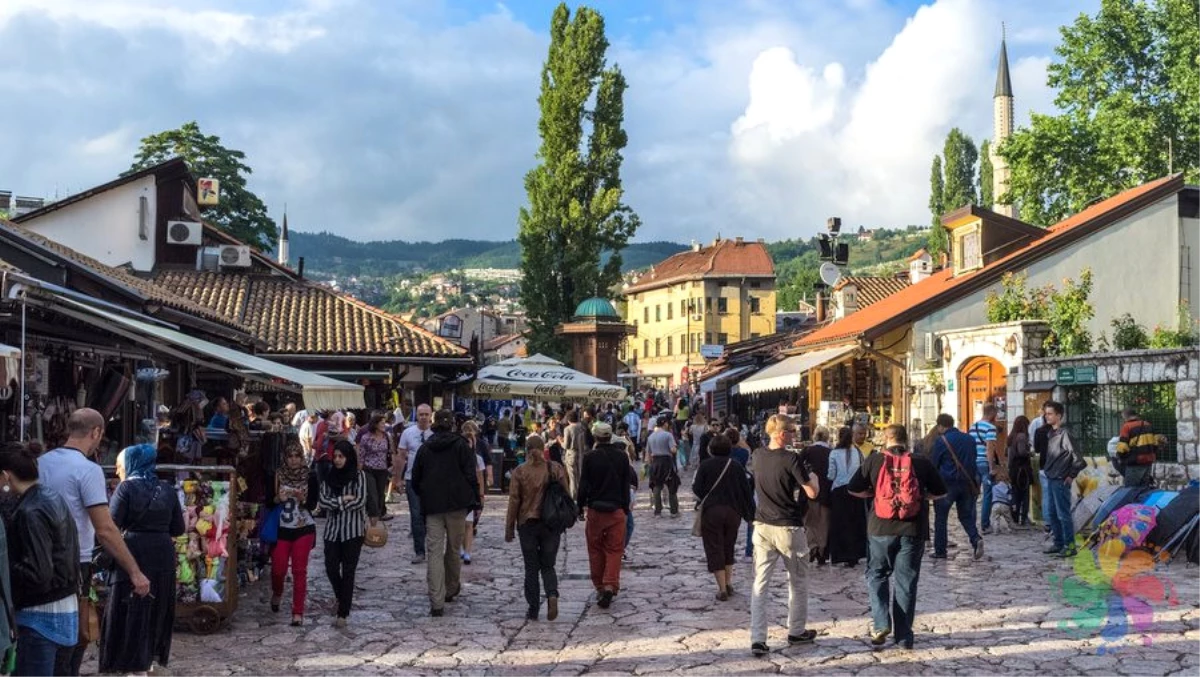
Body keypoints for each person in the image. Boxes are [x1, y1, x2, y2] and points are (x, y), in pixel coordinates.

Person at [38, 408, 149, 676]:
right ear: (96, 433)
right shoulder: (88, 470)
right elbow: (105, 528)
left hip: (37, 557)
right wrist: (134, 571)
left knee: (41, 631)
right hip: (74, 563)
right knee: (72, 638)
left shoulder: (41, 462)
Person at [847, 424, 946, 650]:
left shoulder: (874, 460)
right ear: (905, 439)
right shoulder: (921, 462)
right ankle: (903, 636)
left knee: (876, 575)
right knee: (906, 582)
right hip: (912, 530)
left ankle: (881, 624)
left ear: (886, 438)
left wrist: (875, 496)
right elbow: (941, 491)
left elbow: (853, 488)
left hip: (879, 529)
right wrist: (920, 498)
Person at [100, 444, 184, 676]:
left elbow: (111, 525)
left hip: (133, 554)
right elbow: (178, 528)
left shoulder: (126, 489)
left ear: (130, 464)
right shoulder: (167, 489)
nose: (117, 471)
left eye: (119, 466)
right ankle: (147, 661)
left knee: (131, 611)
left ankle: (132, 665)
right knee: (155, 610)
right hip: (162, 556)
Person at [1, 443, 80, 677]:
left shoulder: (29, 511)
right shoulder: (52, 497)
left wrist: (6, 568)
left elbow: (38, 573)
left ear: (6, 476)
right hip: (64, 613)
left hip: (40, 620)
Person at [749, 414, 820, 658]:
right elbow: (811, 492)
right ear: (781, 433)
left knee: (760, 583)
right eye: (791, 430)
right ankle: (796, 630)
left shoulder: (757, 456)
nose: (794, 434)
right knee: (798, 580)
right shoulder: (791, 458)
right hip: (788, 526)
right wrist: (814, 479)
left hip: (761, 525)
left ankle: (758, 638)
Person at [411, 410, 481, 617]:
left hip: (433, 506)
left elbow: (415, 478)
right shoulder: (461, 446)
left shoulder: (425, 448)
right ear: (452, 425)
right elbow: (470, 474)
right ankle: (450, 588)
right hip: (457, 505)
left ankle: (437, 600)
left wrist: (425, 494)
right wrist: (474, 499)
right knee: (452, 548)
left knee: (433, 550)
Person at [505, 435, 569, 621]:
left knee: (531, 567)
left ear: (526, 449)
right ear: (543, 449)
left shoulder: (520, 471)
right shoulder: (555, 468)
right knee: (548, 565)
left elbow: (514, 501)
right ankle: (551, 594)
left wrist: (509, 528)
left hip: (528, 523)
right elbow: (565, 495)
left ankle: (533, 608)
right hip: (551, 524)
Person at [577, 422, 634, 609]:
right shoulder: (621, 457)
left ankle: (600, 586)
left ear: (595, 437)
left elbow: (583, 484)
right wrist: (625, 507)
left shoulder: (590, 457)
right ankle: (610, 584)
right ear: (610, 436)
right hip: (616, 509)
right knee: (615, 549)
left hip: (596, 509)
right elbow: (626, 483)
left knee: (595, 549)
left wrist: (579, 507)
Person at [693, 434, 755, 601]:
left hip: (712, 511)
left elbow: (697, 488)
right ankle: (728, 582)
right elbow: (746, 491)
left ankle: (721, 588)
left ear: (711, 449)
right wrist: (750, 514)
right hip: (733, 512)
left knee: (714, 547)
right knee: (729, 546)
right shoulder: (736, 466)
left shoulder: (705, 466)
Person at [318, 440, 368, 628]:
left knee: (348, 571)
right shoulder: (329, 477)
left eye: (341, 456)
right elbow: (323, 501)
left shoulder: (358, 476)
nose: (338, 460)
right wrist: (343, 499)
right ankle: (341, 596)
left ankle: (343, 612)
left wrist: (336, 503)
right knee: (331, 568)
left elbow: (361, 501)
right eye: (336, 456)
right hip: (332, 531)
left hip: (353, 531)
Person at [271, 442, 318, 626]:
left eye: (297, 456)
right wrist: (278, 498)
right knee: (278, 569)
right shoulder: (278, 474)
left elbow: (313, 505)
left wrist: (303, 499)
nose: (293, 460)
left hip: (303, 527)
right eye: (290, 456)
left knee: (299, 571)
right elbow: (269, 500)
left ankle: (297, 612)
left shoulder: (310, 476)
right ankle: (277, 592)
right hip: (282, 528)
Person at [929, 413, 984, 561]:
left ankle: (940, 550)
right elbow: (973, 460)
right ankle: (975, 538)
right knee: (965, 515)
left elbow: (934, 464)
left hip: (947, 484)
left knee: (941, 517)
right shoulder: (969, 439)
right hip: (967, 483)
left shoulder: (942, 440)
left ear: (940, 426)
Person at [1042, 401, 1086, 558]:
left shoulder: (1065, 434)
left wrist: (1070, 475)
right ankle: (1059, 542)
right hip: (1051, 477)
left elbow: (1079, 459)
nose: (1047, 416)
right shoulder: (1051, 434)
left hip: (1061, 478)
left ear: (1058, 416)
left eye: (1050, 413)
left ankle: (1070, 545)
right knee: (1052, 513)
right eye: (1046, 413)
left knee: (1063, 514)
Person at [397, 404, 434, 564]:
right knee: (416, 514)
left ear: (431, 416)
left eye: (426, 414)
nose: (424, 417)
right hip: (412, 478)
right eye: (421, 414)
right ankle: (419, 551)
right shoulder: (408, 433)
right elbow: (401, 456)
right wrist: (397, 478)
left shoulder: (436, 434)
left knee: (431, 515)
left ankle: (433, 547)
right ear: (416, 415)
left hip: (432, 480)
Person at [827, 426, 866, 567]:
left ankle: (841, 554)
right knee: (855, 522)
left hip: (839, 491)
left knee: (840, 524)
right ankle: (855, 554)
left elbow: (831, 475)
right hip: (855, 491)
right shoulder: (857, 452)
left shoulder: (834, 453)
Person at [798, 427, 833, 566]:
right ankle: (822, 551)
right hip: (826, 491)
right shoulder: (831, 452)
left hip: (808, 490)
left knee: (809, 521)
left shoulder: (807, 451)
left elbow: (798, 468)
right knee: (824, 522)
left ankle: (811, 547)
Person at [969, 404, 1002, 534]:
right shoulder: (990, 428)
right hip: (984, 463)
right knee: (987, 494)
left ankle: (971, 524)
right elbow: (989, 448)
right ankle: (985, 524)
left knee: (974, 495)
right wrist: (991, 467)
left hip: (973, 463)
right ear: (993, 414)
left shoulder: (973, 426)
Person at [459, 421, 488, 565]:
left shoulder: (478, 459)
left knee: (469, 524)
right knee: (459, 523)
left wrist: (481, 495)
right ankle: (460, 547)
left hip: (472, 495)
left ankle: (468, 552)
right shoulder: (456, 457)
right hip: (458, 495)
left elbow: (480, 478)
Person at [359, 414, 395, 526]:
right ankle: (373, 520)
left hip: (382, 470)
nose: (384, 425)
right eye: (382, 423)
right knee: (372, 495)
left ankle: (378, 515)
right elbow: (361, 456)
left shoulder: (387, 436)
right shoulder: (366, 438)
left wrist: (393, 466)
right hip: (369, 469)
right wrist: (359, 471)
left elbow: (391, 451)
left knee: (380, 495)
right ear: (375, 424)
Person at [645, 416, 680, 517]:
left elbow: (648, 454)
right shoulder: (668, 435)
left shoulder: (650, 437)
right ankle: (674, 511)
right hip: (666, 462)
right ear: (665, 423)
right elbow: (673, 450)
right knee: (671, 486)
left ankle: (658, 511)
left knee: (657, 486)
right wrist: (676, 448)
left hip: (655, 463)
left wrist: (648, 465)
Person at [1115, 408, 1157, 488]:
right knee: (1144, 489)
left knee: (1130, 490)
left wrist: (1119, 457)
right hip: (1148, 461)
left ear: (1125, 416)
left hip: (1135, 463)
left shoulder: (1127, 427)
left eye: (1122, 417)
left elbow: (1122, 447)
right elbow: (1155, 443)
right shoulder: (1147, 424)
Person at [1006, 416, 1034, 527]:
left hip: (1013, 469)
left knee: (1015, 494)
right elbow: (1022, 452)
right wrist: (1030, 453)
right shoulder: (1022, 436)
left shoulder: (1011, 437)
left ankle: (1015, 517)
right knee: (1024, 494)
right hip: (1022, 470)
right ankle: (1024, 518)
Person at [562, 411, 588, 499]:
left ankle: (573, 498)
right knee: (580, 477)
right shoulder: (582, 427)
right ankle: (582, 497)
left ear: (568, 419)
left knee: (573, 478)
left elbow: (566, 445)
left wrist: (559, 441)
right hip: (582, 453)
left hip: (571, 454)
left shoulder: (568, 429)